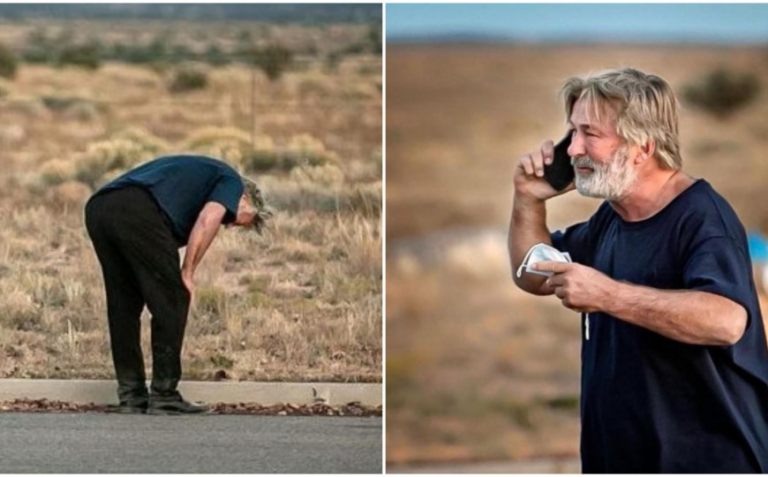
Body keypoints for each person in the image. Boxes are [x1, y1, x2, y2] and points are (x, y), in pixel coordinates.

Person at [508, 67, 768, 472]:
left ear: (642, 147)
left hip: (704, 461)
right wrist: (528, 200)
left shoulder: (702, 219)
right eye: (572, 132)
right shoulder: (611, 218)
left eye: (589, 134)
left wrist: (607, 295)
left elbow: (727, 321)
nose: (573, 149)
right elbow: (533, 274)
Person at [84, 154, 272, 415]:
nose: (228, 225)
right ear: (245, 199)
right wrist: (187, 272)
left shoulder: (195, 185)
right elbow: (208, 220)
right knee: (174, 297)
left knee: (124, 306)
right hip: (136, 208)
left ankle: (132, 396)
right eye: (234, 219)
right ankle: (164, 395)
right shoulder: (231, 182)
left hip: (99, 208)